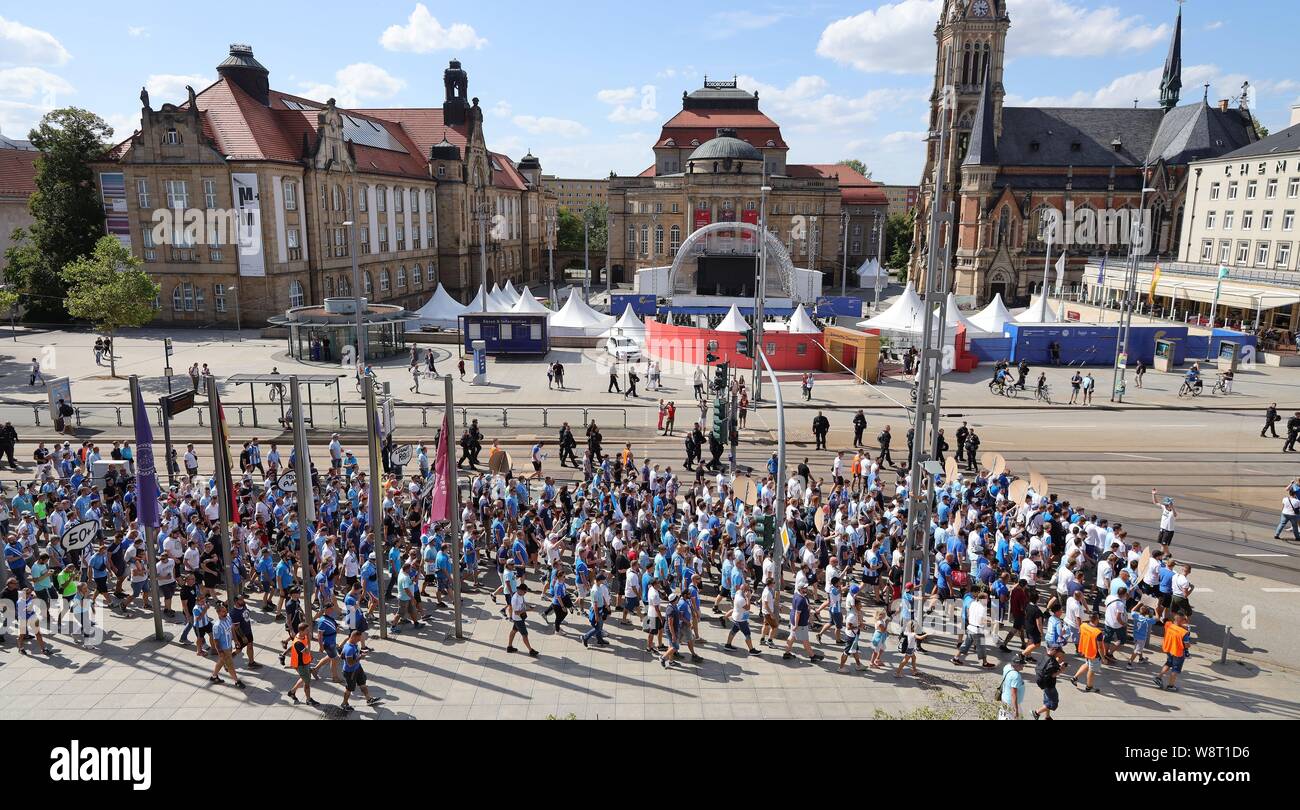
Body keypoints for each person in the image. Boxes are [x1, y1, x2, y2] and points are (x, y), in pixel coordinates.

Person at [340, 629, 379, 711]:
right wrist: (360, 657)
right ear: (353, 637)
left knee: (362, 683)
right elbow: (350, 663)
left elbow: (355, 654)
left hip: (357, 668)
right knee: (349, 689)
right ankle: (344, 703)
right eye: (358, 639)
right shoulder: (349, 649)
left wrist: (361, 653)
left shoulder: (354, 644)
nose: (359, 640)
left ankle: (369, 699)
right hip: (350, 672)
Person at [209, 602, 246, 689]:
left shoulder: (228, 618)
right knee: (230, 665)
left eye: (225, 611)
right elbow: (216, 641)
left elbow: (232, 629)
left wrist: (236, 640)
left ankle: (214, 677)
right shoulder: (217, 626)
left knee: (221, 662)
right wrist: (220, 652)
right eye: (223, 612)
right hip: (224, 649)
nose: (225, 613)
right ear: (218, 613)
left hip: (229, 646)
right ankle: (237, 681)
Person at [1154, 611, 1191, 692]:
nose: (1186, 620)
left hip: (1169, 649)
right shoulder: (1184, 633)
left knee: (1168, 663)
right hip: (1178, 653)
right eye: (1184, 619)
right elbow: (1187, 645)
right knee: (1175, 669)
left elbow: (1172, 623)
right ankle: (1171, 685)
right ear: (1181, 620)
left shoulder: (1168, 625)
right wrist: (1189, 645)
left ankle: (1159, 677)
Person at [285, 623, 319, 706]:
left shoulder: (302, 635)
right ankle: (308, 700)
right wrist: (309, 641)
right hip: (301, 665)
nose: (308, 631)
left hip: (305, 663)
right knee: (307, 682)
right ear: (301, 631)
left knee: (304, 678)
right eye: (307, 630)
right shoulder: (298, 643)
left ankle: (292, 692)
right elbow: (307, 651)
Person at [507, 583, 539, 656]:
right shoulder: (515, 599)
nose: (525, 593)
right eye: (524, 592)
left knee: (514, 631)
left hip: (519, 618)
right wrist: (528, 610)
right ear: (520, 590)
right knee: (525, 634)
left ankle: (509, 647)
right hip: (518, 619)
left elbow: (523, 601)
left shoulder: (520, 595)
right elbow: (516, 612)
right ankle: (531, 650)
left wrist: (529, 606)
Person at [998, 653, 1027, 719]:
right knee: (1016, 717)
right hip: (1010, 703)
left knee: (1003, 716)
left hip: (1005, 698)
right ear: (1017, 665)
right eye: (1022, 664)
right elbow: (1013, 694)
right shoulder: (1016, 676)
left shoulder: (1007, 667)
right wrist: (1015, 709)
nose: (1023, 666)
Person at [1151, 489, 1177, 554]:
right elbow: (1155, 502)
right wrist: (1153, 494)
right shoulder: (1164, 508)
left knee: (1164, 544)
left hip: (1168, 531)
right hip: (1162, 529)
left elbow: (1175, 514)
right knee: (1161, 543)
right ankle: (1161, 556)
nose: (1166, 506)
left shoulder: (1172, 511)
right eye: (1165, 504)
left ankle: (1169, 555)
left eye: (1167, 505)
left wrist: (1173, 507)